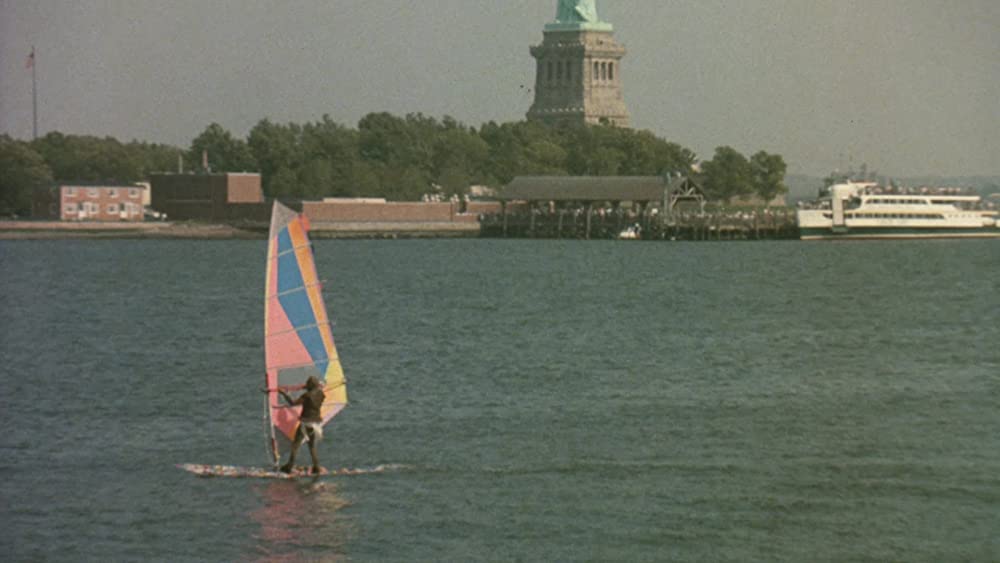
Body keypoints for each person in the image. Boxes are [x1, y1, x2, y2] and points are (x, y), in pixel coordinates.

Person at [275, 376, 326, 474]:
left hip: (306, 423)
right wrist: (307, 388)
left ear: (309, 387)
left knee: (295, 445)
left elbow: (293, 403)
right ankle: (316, 467)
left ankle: (289, 466)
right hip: (316, 423)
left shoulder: (306, 396)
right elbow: (317, 391)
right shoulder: (321, 394)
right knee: (311, 446)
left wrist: (283, 393)